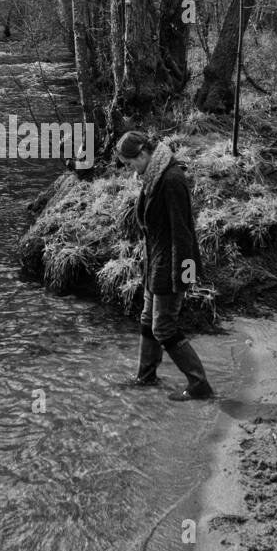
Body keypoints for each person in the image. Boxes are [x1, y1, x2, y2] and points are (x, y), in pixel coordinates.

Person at [115, 130, 214, 400]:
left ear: (144, 154)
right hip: (155, 262)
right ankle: (145, 377)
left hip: (171, 265)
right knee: (148, 319)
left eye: (130, 162)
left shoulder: (170, 180)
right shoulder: (153, 176)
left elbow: (183, 232)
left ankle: (199, 385)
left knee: (164, 327)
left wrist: (184, 276)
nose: (129, 169)